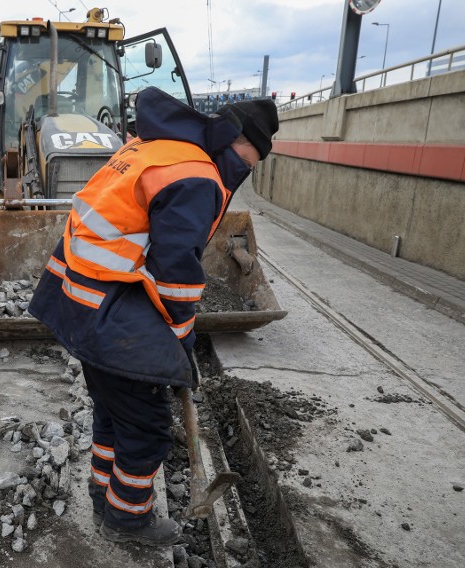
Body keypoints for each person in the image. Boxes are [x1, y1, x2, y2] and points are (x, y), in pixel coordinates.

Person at [27, 86, 279, 546]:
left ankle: (102, 489)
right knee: (146, 427)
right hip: (110, 311)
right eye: (252, 154)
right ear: (235, 140)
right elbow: (177, 273)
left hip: (77, 300)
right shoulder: (197, 175)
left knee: (112, 409)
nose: (252, 165)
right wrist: (179, 341)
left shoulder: (149, 147)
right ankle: (127, 520)